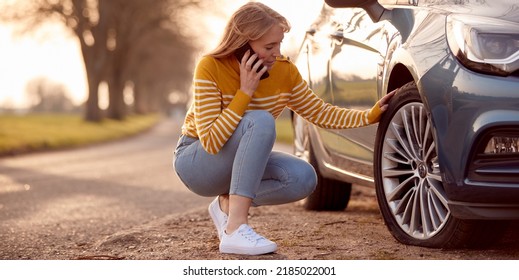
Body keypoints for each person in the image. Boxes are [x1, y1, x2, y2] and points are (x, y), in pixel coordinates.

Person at [173, 2, 394, 256]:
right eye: (269, 46)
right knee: (261, 120)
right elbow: (211, 142)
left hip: (235, 163)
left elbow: (320, 112)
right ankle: (235, 228)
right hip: (197, 162)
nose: (276, 53)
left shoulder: (284, 72)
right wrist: (245, 92)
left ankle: (226, 205)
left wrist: (370, 115)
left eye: (278, 44)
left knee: (303, 178)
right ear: (244, 44)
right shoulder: (211, 67)